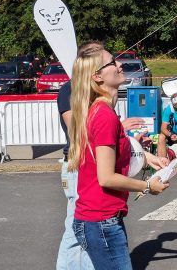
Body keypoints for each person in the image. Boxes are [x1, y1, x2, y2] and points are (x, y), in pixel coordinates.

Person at [68, 44, 170, 269]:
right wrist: (147, 186)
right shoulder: (104, 116)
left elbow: (114, 153)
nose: (120, 64)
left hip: (102, 219)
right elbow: (106, 178)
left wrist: (146, 157)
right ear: (97, 76)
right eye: (113, 62)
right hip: (101, 221)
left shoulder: (101, 111)